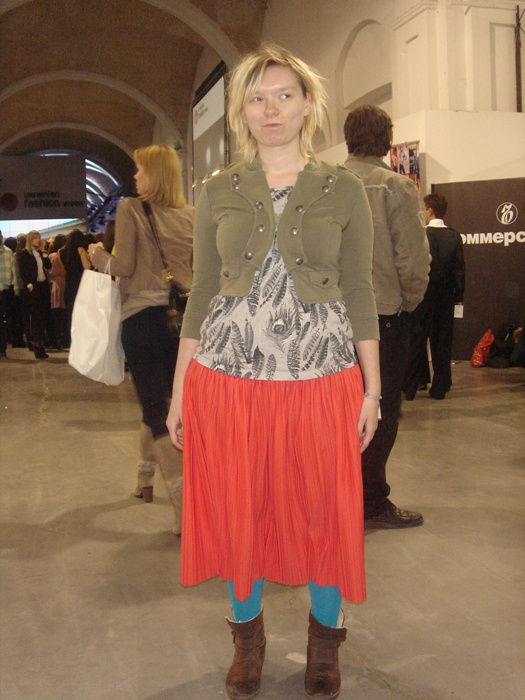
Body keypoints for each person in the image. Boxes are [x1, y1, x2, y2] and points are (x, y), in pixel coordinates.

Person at [166, 45, 380, 700]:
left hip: (322, 378)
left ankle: (325, 642)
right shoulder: (218, 191)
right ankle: (247, 639)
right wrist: (179, 392)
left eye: (284, 94)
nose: (271, 109)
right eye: (257, 98)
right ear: (241, 111)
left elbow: (359, 290)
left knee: (324, 513)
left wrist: (372, 388)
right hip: (229, 380)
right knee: (243, 512)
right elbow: (203, 291)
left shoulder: (343, 188)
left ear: (308, 104)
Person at [88, 144, 194, 534]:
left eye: (140, 170)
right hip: (183, 323)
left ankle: (182, 505)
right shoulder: (191, 215)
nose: (135, 177)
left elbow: (124, 265)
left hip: (142, 321)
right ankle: (144, 478)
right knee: (169, 403)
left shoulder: (131, 208)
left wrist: (97, 255)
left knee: (154, 406)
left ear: (155, 174)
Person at [344, 105, 430, 529]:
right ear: (386, 139)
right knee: (380, 409)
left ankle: (336, 497)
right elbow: (413, 258)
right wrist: (408, 302)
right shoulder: (395, 187)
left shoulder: (326, 182)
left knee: (336, 410)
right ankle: (371, 500)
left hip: (330, 320)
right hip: (381, 317)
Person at [403, 193, 465, 400]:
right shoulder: (454, 236)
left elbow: (413, 266)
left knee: (416, 341)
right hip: (445, 298)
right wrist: (458, 297)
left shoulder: (421, 235)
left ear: (429, 211)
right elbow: (459, 270)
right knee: (443, 342)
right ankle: (440, 387)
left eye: (423, 208)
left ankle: (409, 388)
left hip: (423, 296)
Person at [17, 230, 52, 359]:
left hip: (43, 286)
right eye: (35, 238)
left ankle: (41, 344)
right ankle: (37, 345)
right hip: (34, 287)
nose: (38, 240)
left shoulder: (40, 253)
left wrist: (43, 251)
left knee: (43, 315)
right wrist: (28, 284)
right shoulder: (25, 254)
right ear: (30, 240)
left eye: (39, 238)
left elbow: (48, 265)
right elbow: (23, 271)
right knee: (36, 317)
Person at [61, 228, 92, 339]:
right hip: (81, 283)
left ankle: (71, 337)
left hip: (69, 283)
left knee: (70, 312)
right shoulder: (81, 250)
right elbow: (87, 267)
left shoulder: (62, 252)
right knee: (81, 312)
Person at [0, 231, 20, 358]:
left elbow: (14, 273)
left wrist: (16, 289)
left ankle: (2, 349)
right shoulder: (8, 252)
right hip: (5, 289)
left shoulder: (8, 252)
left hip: (4, 290)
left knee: (2, 321)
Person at [48, 234, 68, 351]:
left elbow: (49, 272)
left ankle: (57, 339)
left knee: (56, 314)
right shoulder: (66, 255)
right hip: (65, 283)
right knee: (65, 313)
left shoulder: (52, 256)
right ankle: (65, 339)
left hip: (55, 284)